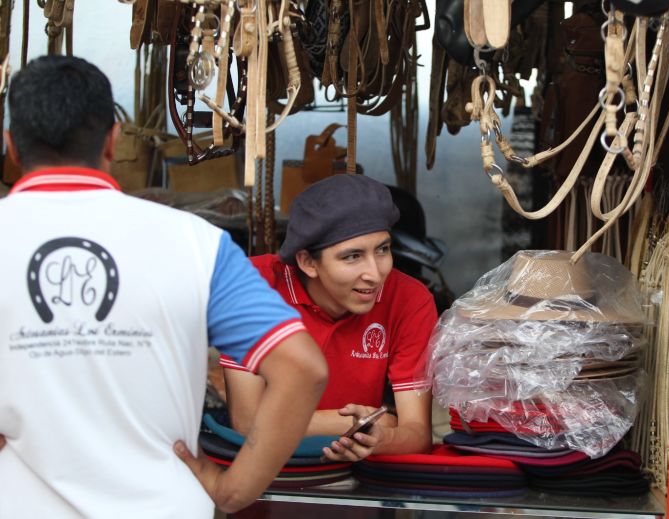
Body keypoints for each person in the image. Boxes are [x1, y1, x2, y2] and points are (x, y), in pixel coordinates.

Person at [0, 55, 328, 518]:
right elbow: (301, 367)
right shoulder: (195, 243)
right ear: (113, 142)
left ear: (12, 146)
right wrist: (235, 491)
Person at [221, 174, 438, 462]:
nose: (374, 274)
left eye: (383, 250)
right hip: (259, 475)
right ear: (308, 262)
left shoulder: (411, 300)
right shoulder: (251, 285)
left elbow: (417, 435)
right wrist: (376, 422)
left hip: (358, 477)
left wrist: (383, 436)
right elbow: (248, 423)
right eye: (352, 257)